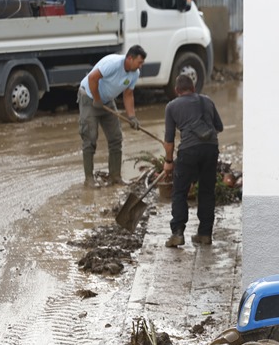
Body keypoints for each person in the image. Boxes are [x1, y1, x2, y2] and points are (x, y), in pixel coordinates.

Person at [162, 74, 224, 247]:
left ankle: (178, 233)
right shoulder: (208, 101)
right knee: (206, 191)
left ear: (176, 90)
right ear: (193, 88)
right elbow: (219, 127)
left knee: (180, 191)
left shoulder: (171, 106)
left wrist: (168, 161)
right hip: (211, 149)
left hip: (188, 151)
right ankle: (205, 234)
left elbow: (169, 140)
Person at [78, 45, 146, 187]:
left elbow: (128, 94)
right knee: (90, 138)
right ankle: (89, 179)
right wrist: (96, 99)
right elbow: (92, 78)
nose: (141, 65)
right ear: (129, 58)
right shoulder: (113, 64)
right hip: (89, 97)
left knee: (116, 138)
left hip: (107, 101)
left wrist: (131, 117)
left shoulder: (135, 73)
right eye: (139, 62)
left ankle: (115, 176)